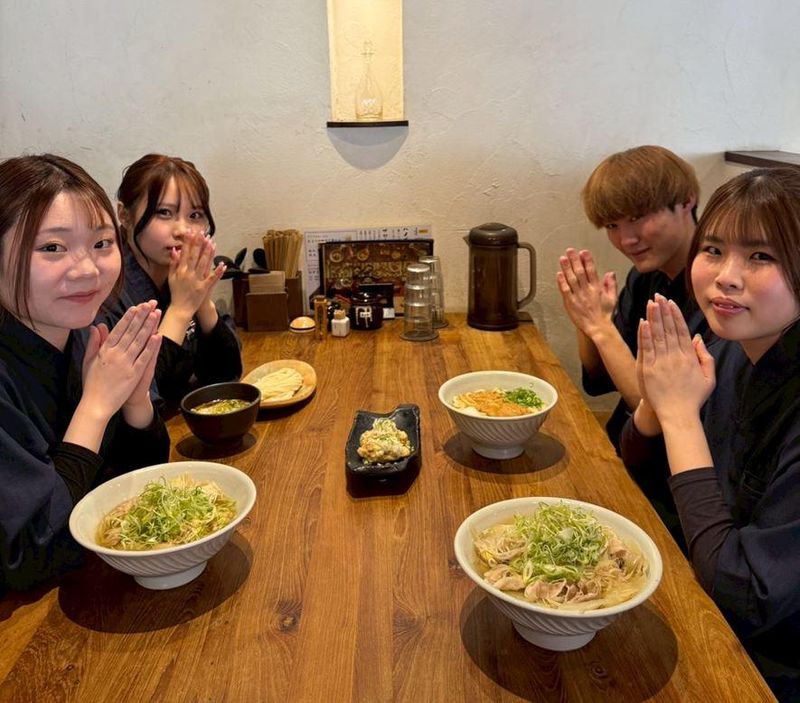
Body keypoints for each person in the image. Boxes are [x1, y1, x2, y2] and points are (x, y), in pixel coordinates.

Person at [621, 167, 800, 701]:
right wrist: (656, 401)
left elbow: (743, 595)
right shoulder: (729, 345)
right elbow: (645, 473)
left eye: (760, 256)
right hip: (702, 602)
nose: (726, 276)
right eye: (714, 250)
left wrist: (679, 416)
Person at [0, 154, 170, 592]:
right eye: (52, 248)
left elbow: (135, 485)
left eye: (101, 243)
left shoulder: (84, 331)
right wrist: (95, 407)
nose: (88, 270)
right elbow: (29, 554)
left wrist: (134, 403)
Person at [557, 146, 706, 548]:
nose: (626, 239)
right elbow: (599, 380)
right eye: (612, 225)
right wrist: (588, 322)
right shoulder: (646, 278)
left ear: (686, 201)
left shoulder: (715, 295)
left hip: (668, 488)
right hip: (623, 451)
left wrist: (600, 327)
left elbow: (658, 405)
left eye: (639, 217)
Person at [109, 154, 242, 406]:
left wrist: (202, 302)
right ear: (124, 216)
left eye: (195, 215)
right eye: (164, 213)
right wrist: (181, 309)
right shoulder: (110, 289)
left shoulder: (182, 275)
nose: (182, 230)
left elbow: (226, 376)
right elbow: (139, 398)